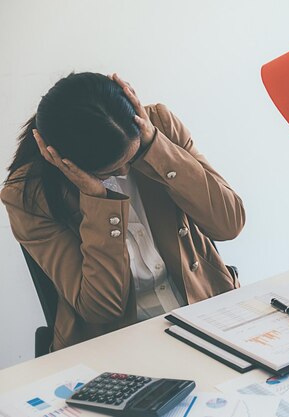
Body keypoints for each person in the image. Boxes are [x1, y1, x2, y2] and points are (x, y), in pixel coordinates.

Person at [1, 72, 246, 351]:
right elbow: (101, 308)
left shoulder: (159, 126)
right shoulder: (28, 196)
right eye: (110, 171)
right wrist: (97, 200)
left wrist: (155, 147)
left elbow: (230, 223)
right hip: (113, 344)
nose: (124, 172)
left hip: (202, 313)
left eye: (131, 157)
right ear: (62, 161)